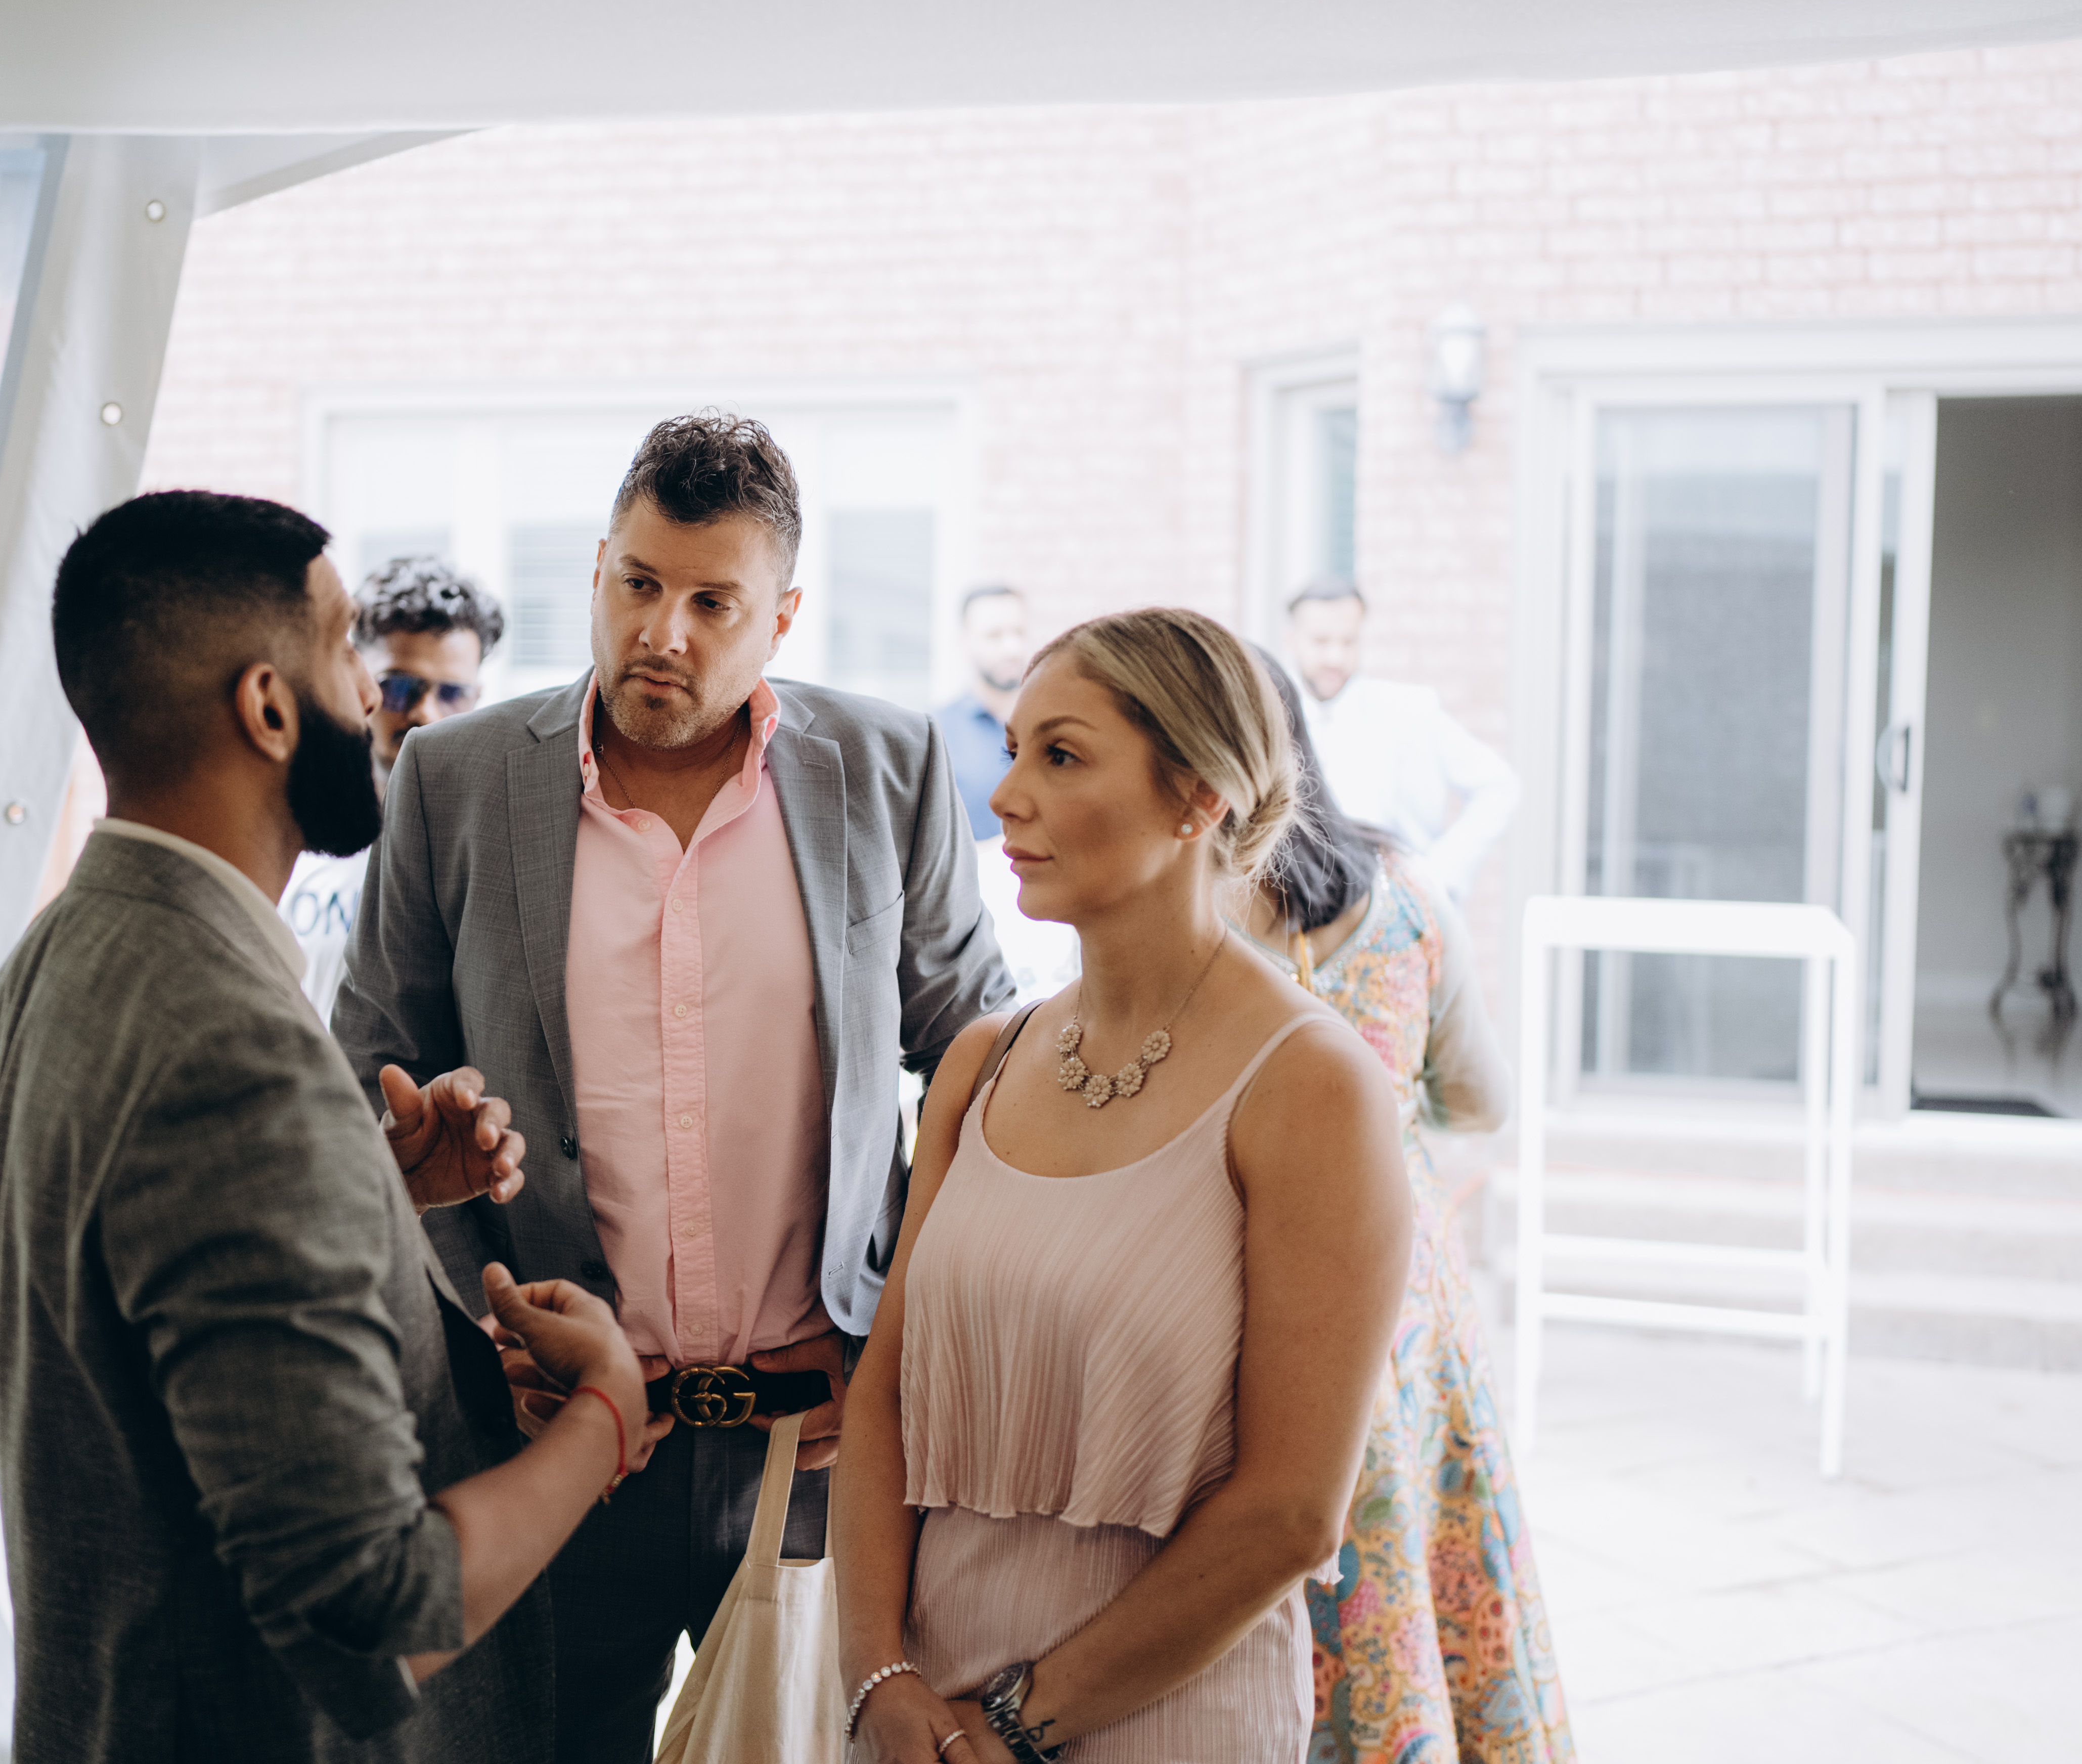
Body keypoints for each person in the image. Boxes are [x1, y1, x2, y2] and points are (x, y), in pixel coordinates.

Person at [335, 412, 1014, 1762]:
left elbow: (978, 1062)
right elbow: (369, 1080)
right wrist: (485, 1328)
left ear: (782, 616)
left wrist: (898, 1341)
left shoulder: (886, 769)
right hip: (561, 1445)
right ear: (594, 570)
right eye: (639, 584)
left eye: (714, 603)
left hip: (818, 1444)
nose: (664, 632)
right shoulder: (455, 780)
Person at [0, 491, 665, 1764]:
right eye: (347, 649)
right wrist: (605, 1416)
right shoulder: (231, 1052)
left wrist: (369, 1183)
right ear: (268, 707)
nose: (374, 694)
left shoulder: (56, 959)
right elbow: (370, 1610)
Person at [834, 607, 1411, 1763]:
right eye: (1012, 752)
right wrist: (879, 1679)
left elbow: (1291, 1513)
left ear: (1197, 796)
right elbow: (884, 1403)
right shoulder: (978, 1064)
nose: (1005, 796)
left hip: (1163, 1716)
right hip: (916, 1723)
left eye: (1060, 756)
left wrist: (1013, 1722)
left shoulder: (1311, 1087)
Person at [1238, 652, 1576, 1764]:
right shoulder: (1407, 895)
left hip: (1243, 1285)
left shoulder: (1186, 919)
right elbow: (1480, 1099)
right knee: (1403, 1555)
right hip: (1402, 1295)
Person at [283, 554, 507, 1019]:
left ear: (478, 699)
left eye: (452, 694)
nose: (425, 713)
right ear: (356, 679)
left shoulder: (493, 856)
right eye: (400, 687)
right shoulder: (289, 837)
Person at [1283, 577, 1519, 900]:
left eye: (1349, 642)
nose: (1335, 657)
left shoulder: (1411, 712)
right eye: (1321, 641)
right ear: (1292, 639)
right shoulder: (1269, 718)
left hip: (1400, 906)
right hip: (1300, 909)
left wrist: (1441, 872)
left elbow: (1499, 784)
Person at [936, 584, 1035, 841]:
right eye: (994, 635)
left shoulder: (1054, 724)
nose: (1012, 648)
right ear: (965, 643)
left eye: (1019, 632)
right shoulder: (938, 735)